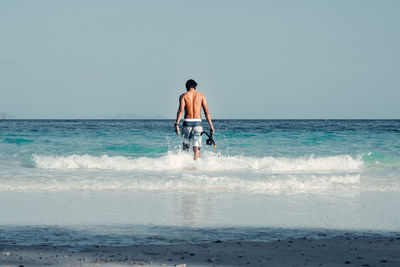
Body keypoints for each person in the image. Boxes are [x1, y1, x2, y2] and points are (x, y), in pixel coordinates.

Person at [175, 79, 215, 160]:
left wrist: (176, 124)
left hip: (187, 123)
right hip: (198, 124)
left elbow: (181, 110)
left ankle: (185, 167)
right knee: (196, 149)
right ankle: (196, 168)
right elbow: (206, 112)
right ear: (195, 86)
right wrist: (211, 126)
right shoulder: (201, 96)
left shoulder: (183, 96)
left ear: (187, 86)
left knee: (185, 147)